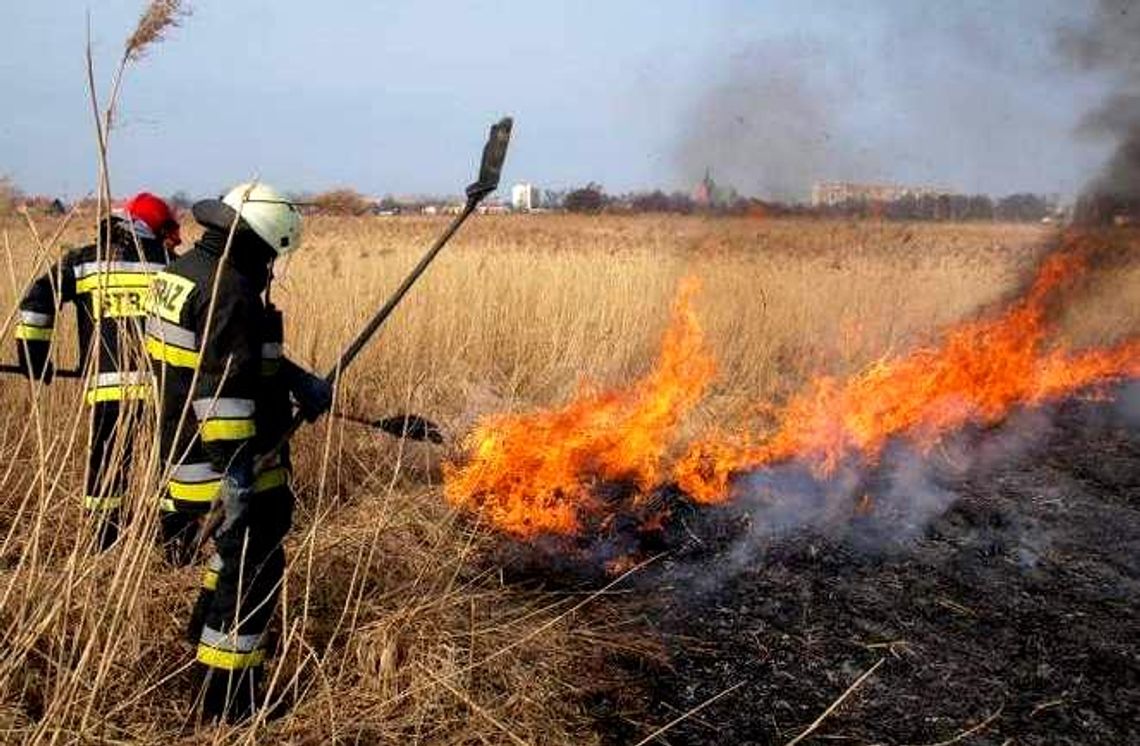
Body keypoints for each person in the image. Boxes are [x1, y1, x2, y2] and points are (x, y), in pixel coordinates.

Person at [144, 181, 331, 721]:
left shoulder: (183, 272)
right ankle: (229, 703)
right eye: (272, 252)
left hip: (182, 449)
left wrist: (296, 380)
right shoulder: (229, 290)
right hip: (226, 460)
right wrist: (237, 476)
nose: (273, 264)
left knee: (230, 562)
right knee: (252, 571)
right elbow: (221, 392)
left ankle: (203, 648)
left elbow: (230, 356)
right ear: (254, 242)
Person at [16, 193, 181, 549]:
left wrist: (33, 356)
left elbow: (37, 300)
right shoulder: (173, 266)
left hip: (108, 392)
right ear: (155, 229)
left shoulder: (85, 262)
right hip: (164, 391)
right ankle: (173, 543)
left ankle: (104, 543)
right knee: (167, 467)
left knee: (106, 468)